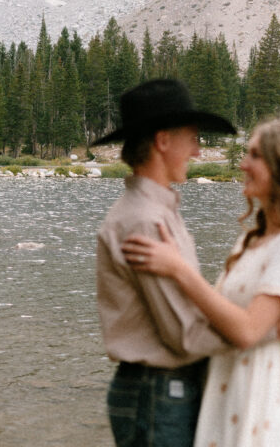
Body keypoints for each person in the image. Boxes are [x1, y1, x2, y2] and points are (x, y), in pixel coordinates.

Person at [122, 117, 280, 447]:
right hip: (224, 387)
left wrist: (180, 270)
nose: (242, 163)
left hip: (258, 395)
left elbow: (246, 331)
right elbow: (226, 315)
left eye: (254, 155)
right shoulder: (252, 241)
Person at [93, 78, 237, 447]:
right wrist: (259, 332)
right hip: (158, 394)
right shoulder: (144, 220)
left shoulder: (156, 212)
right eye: (193, 138)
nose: (198, 152)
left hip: (160, 392)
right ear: (162, 141)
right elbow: (184, 336)